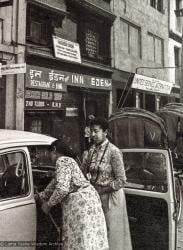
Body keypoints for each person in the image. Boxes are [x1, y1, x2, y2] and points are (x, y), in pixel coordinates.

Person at [35, 140, 109, 250]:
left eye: (49, 153)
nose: (49, 157)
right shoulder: (68, 161)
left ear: (54, 150)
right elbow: (53, 186)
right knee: (89, 240)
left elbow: (62, 189)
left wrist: (48, 205)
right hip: (88, 202)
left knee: (81, 240)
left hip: (81, 205)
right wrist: (39, 196)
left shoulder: (62, 160)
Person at [82, 117, 132, 250]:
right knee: (97, 231)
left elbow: (121, 180)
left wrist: (102, 191)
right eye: (91, 131)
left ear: (105, 132)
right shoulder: (92, 150)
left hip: (111, 198)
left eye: (96, 131)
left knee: (112, 234)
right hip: (95, 197)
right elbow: (85, 171)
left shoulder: (114, 151)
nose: (92, 135)